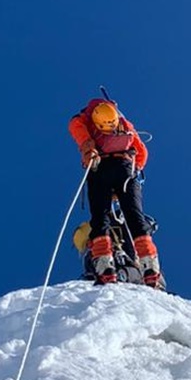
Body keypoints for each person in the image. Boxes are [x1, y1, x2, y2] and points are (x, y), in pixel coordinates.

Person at [69, 97, 164, 287]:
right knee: (135, 217)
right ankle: (150, 267)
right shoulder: (124, 123)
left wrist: (88, 150)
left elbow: (80, 134)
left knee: (100, 218)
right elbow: (141, 151)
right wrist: (134, 168)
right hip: (126, 169)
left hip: (99, 168)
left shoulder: (82, 120)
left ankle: (105, 267)